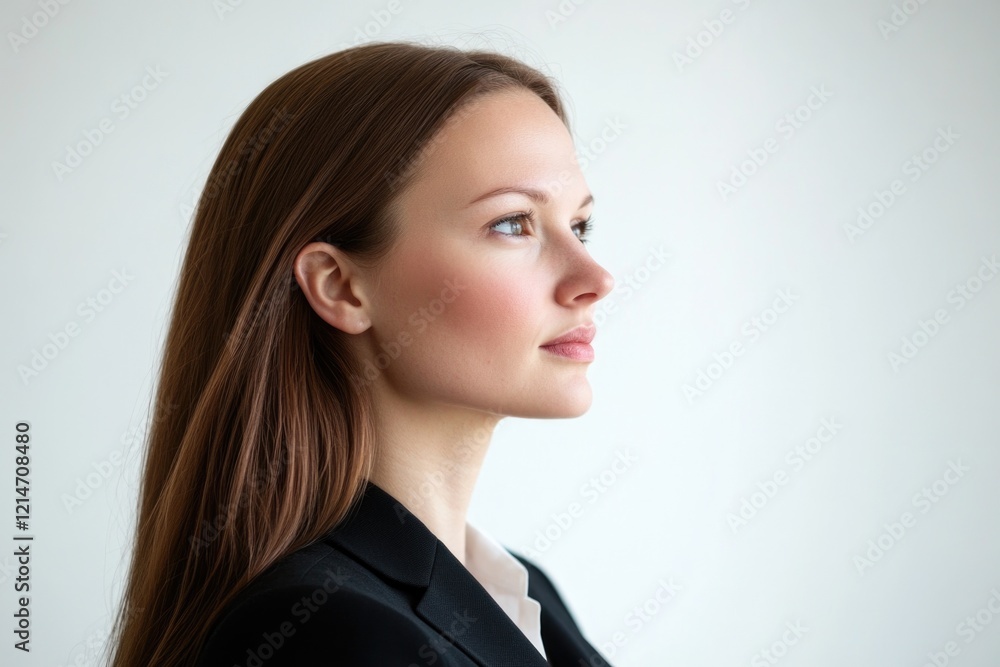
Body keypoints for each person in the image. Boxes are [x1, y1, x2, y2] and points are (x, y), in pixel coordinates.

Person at [106, 40, 616, 666]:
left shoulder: (525, 595)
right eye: (512, 223)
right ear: (340, 285)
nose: (594, 276)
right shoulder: (326, 634)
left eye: (580, 226)